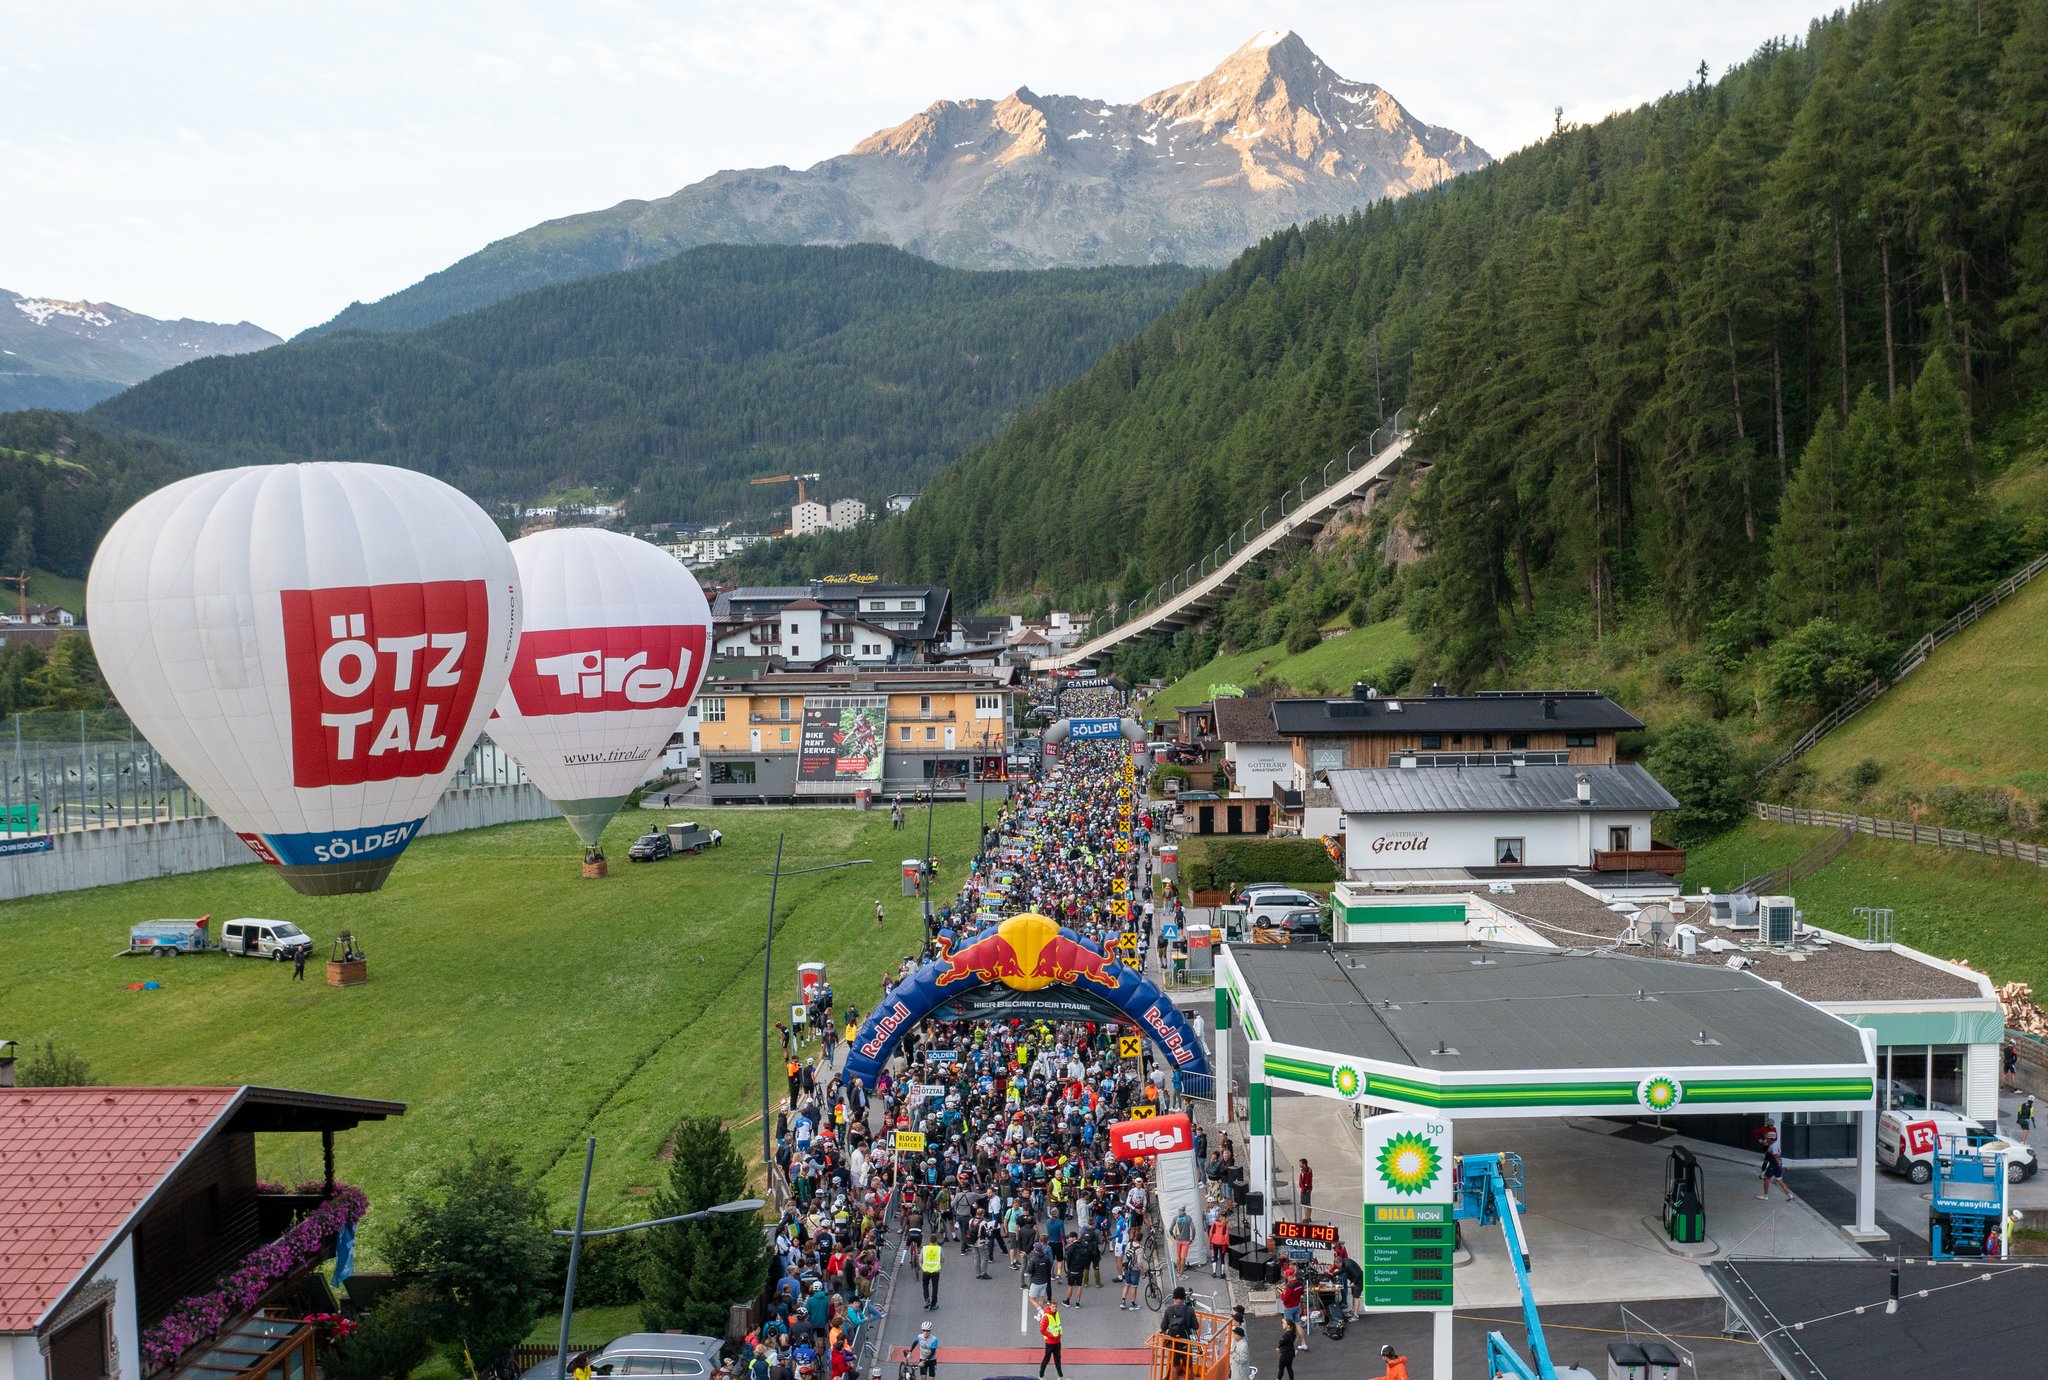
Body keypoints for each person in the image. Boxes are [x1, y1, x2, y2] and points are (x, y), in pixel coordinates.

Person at [1036, 1301, 1065, 1379]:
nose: (1054, 1308)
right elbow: (1042, 1330)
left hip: (1057, 1341)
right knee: (1046, 1359)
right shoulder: (1046, 1316)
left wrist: (1059, 1334)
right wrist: (1051, 1335)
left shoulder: (1057, 1313)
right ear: (1050, 1306)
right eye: (1053, 1306)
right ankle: (1041, 1376)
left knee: (1057, 1359)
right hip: (1050, 1342)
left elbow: (1057, 1325)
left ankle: (1061, 1376)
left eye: (1055, 1306)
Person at [920, 1235, 943, 1309]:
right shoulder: (939, 1249)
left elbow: (920, 1260)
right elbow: (942, 1260)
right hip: (935, 1271)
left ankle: (927, 1300)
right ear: (936, 1241)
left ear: (929, 1241)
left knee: (925, 1285)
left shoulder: (924, 1248)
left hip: (926, 1271)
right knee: (935, 1287)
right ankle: (933, 1304)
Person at [1170, 1204, 1195, 1273]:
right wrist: (1192, 1239)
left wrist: (1174, 1237)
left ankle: (1178, 1270)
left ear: (1178, 1210)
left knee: (1178, 1256)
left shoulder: (1176, 1218)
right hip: (1186, 1241)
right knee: (1183, 1257)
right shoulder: (1188, 1218)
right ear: (1184, 1210)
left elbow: (1170, 1229)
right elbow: (1193, 1229)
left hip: (1178, 1240)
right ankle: (1181, 1272)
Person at [1274, 1315, 1299, 1380]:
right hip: (1291, 1353)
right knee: (1289, 1368)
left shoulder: (1286, 1335)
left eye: (1284, 1323)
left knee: (1281, 1369)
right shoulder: (1293, 1333)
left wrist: (1278, 1347)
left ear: (1288, 1326)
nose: (1282, 1324)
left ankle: (1278, 1379)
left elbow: (1281, 1342)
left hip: (1285, 1354)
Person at [1207, 1211, 1231, 1278]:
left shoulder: (1214, 1223)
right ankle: (1222, 1274)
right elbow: (1226, 1236)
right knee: (1222, 1258)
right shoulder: (1225, 1224)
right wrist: (1228, 1243)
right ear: (1226, 1217)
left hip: (1214, 1242)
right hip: (1222, 1243)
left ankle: (1214, 1273)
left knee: (1215, 1257)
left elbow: (1211, 1233)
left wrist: (1210, 1241)